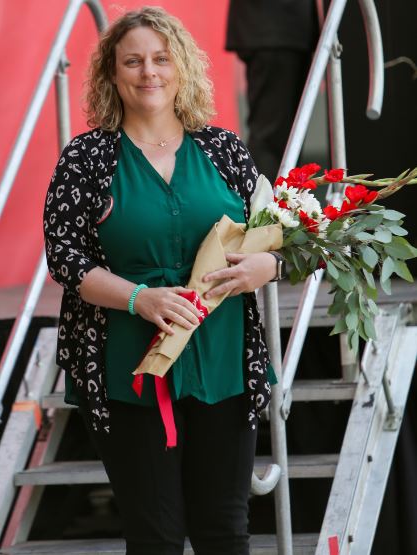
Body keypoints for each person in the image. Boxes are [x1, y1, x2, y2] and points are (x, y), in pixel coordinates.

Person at [43, 7, 282, 555]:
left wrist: (264, 267)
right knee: (155, 537)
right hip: (126, 365)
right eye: (133, 61)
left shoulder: (224, 149)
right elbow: (66, 258)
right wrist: (138, 297)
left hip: (223, 362)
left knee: (225, 530)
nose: (148, 72)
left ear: (182, 68)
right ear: (112, 73)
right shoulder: (86, 158)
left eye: (160, 58)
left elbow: (278, 236)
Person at [226, 0, 318, 179]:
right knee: (273, 137)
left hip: (285, 30)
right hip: (274, 27)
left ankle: (284, 203)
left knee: (289, 138)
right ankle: (265, 205)